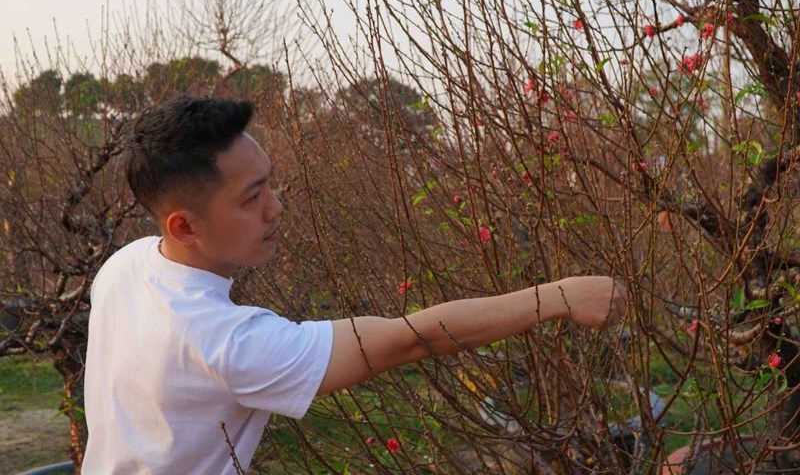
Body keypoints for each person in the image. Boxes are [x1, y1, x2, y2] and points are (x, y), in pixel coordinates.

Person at [83, 96, 627, 474]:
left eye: (269, 183)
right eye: (251, 198)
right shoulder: (229, 345)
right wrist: (558, 296)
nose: (275, 207)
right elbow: (409, 339)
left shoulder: (126, 266)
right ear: (185, 226)